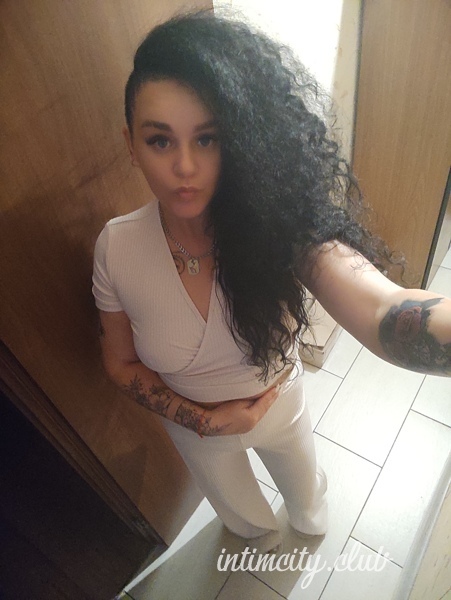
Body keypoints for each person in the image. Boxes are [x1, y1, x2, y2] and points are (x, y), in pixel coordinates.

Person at [92, 10, 451, 554]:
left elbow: (386, 311)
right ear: (131, 144)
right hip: (198, 433)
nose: (185, 166)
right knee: (246, 523)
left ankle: (308, 522)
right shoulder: (116, 248)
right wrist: (204, 422)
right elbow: (120, 364)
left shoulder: (280, 228)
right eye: (160, 141)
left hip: (282, 404)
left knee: (309, 507)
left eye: (207, 139)